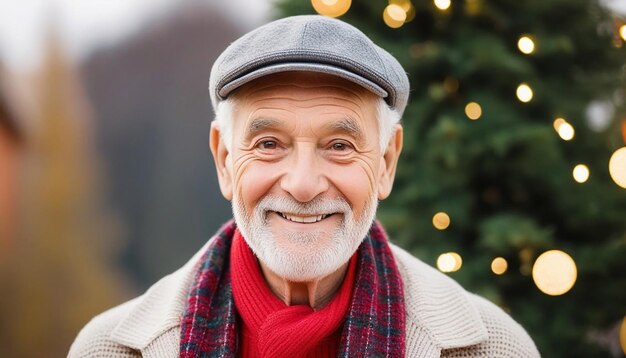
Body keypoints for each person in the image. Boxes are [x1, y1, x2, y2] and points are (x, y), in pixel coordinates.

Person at [69, 15, 540, 357]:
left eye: (339, 145)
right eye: (269, 143)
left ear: (386, 162)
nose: (302, 184)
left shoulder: (493, 349)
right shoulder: (107, 350)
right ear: (225, 160)